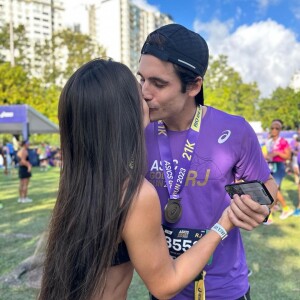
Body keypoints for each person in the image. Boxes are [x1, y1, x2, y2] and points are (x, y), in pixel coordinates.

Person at [38, 58, 269, 300]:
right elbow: (165, 284)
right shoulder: (135, 194)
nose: (146, 95)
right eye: (139, 86)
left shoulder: (82, 183)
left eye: (156, 83)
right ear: (122, 112)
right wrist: (224, 224)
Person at [139, 24, 278, 299]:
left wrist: (261, 206)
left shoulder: (235, 130)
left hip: (225, 288)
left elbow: (267, 184)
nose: (144, 92)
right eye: (141, 79)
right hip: (165, 287)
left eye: (159, 83)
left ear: (193, 85)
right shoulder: (137, 130)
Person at [264, 119, 294, 222]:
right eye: (272, 128)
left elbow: (288, 156)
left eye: (277, 128)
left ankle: (272, 215)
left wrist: (277, 153)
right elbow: (267, 154)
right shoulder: (269, 141)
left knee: (272, 190)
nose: (274, 130)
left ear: (280, 130)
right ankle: (284, 209)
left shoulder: (283, 141)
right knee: (273, 190)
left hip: (279, 166)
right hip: (270, 166)